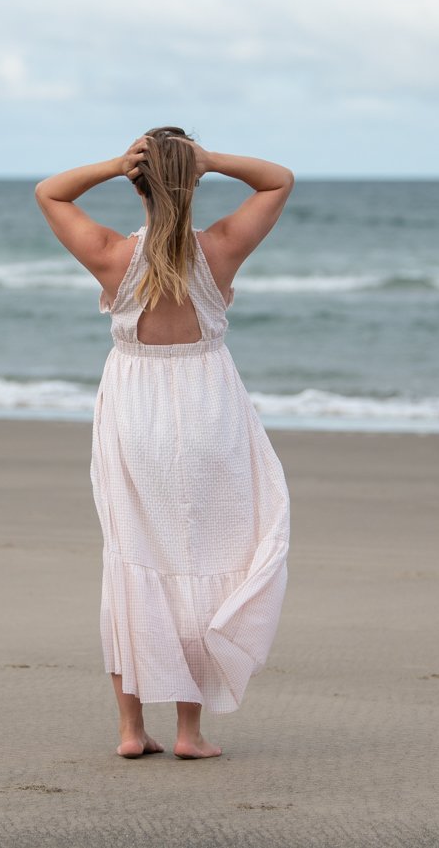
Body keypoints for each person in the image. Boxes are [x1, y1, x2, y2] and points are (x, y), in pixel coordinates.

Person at [34, 127, 294, 760]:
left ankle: (130, 731)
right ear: (197, 180)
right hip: (209, 410)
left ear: (137, 182)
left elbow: (49, 192)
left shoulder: (109, 254)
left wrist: (116, 164)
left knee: (131, 557)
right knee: (202, 558)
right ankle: (188, 732)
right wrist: (209, 161)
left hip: (135, 414)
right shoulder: (222, 248)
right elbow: (278, 179)